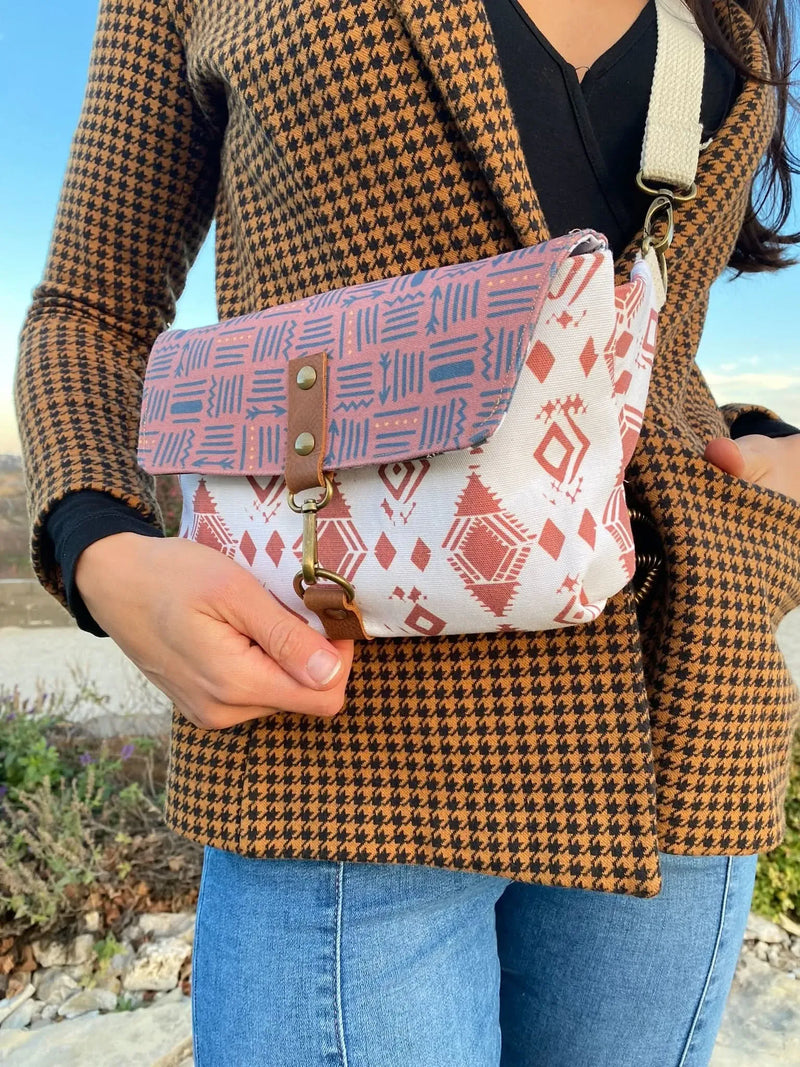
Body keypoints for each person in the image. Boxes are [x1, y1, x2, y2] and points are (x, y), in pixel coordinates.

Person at [14, 0, 800, 1063]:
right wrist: (96, 542)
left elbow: (647, 352)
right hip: (342, 726)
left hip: (680, 706)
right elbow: (89, 307)